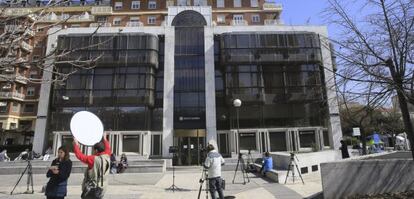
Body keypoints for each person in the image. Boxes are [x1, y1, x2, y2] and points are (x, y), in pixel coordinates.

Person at [73, 133, 111, 199]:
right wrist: (104, 138)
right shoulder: (107, 156)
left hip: (93, 188)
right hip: (102, 186)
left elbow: (80, 156)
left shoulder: (93, 159)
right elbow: (108, 147)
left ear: (96, 150)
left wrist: (76, 145)